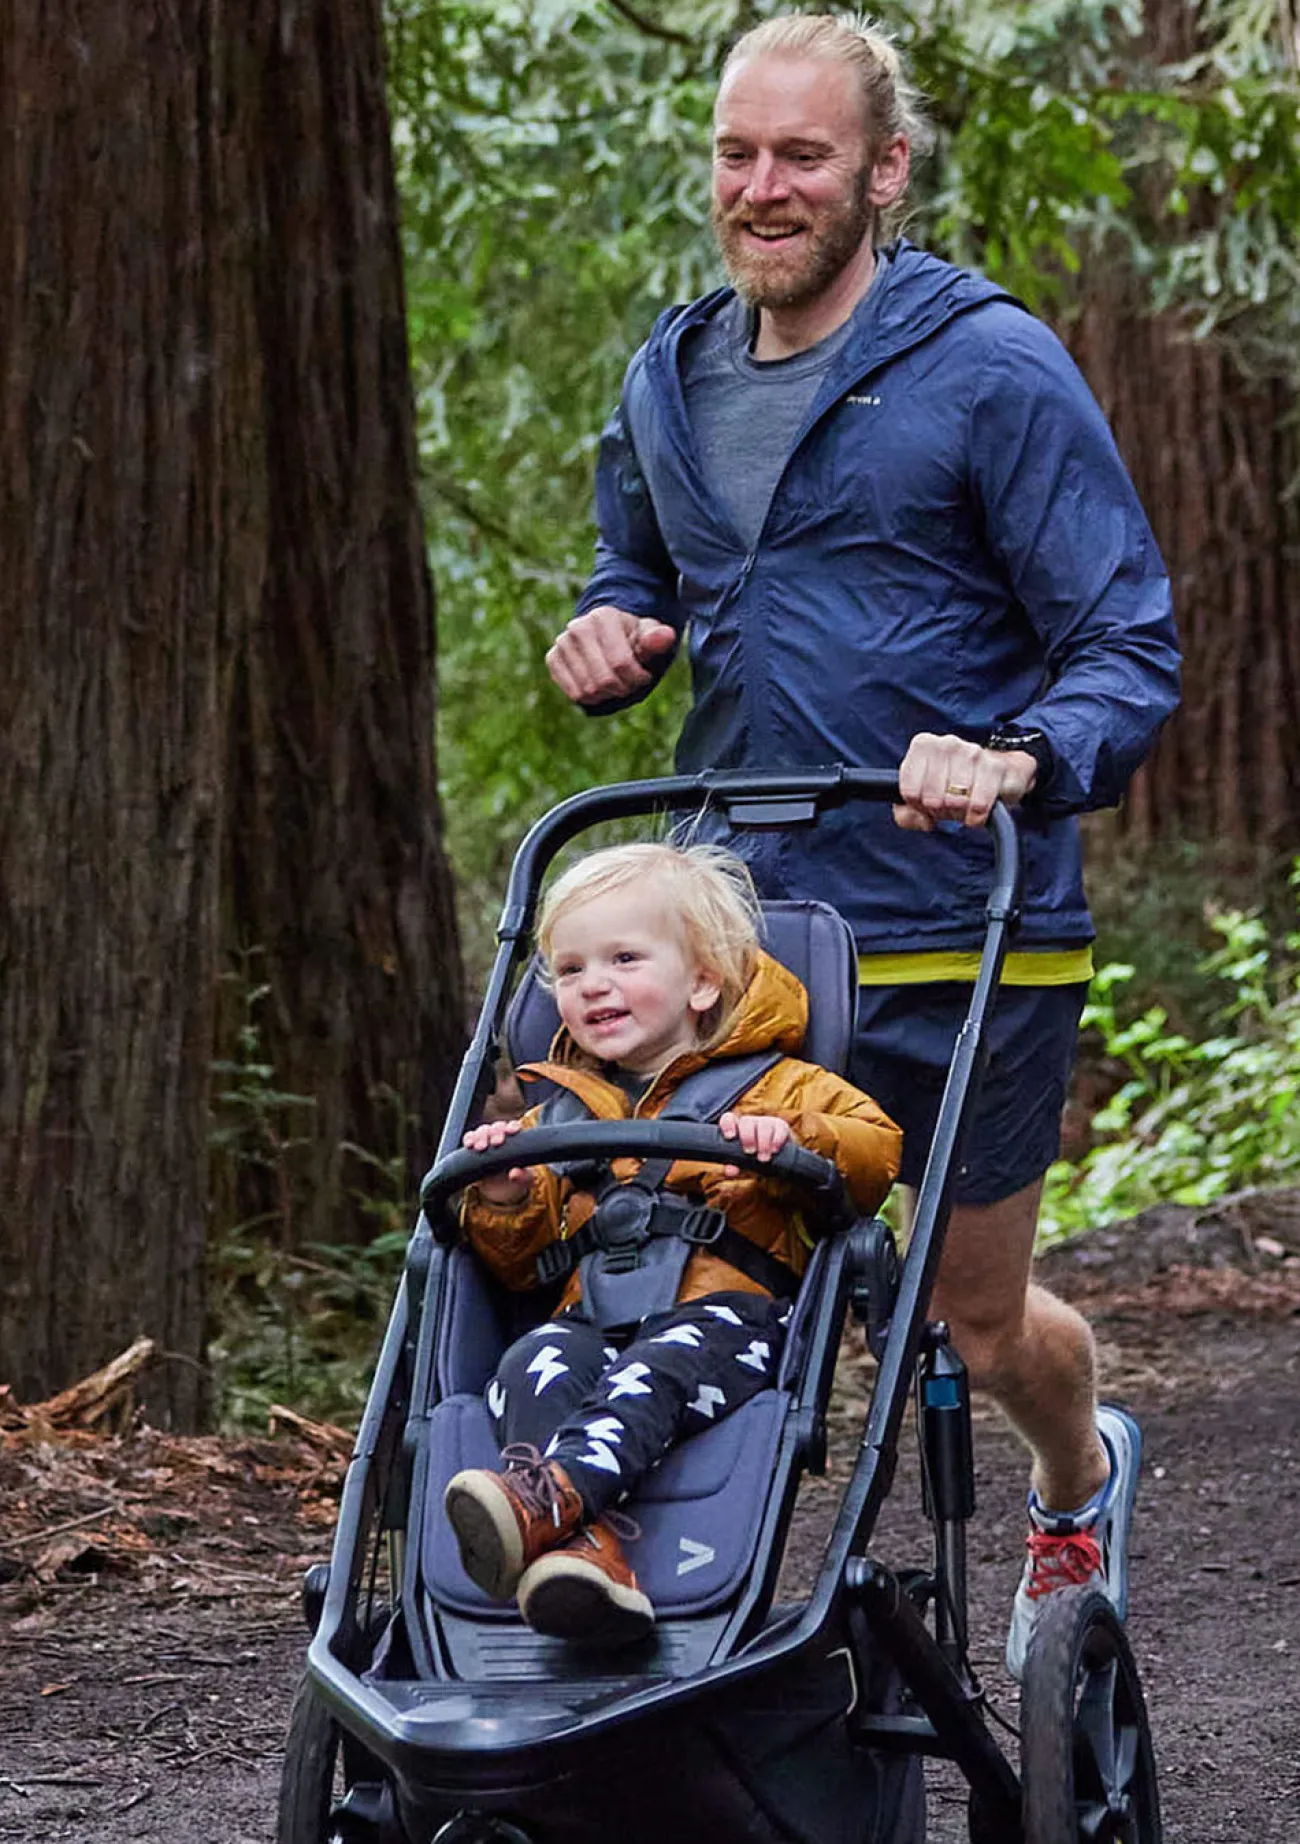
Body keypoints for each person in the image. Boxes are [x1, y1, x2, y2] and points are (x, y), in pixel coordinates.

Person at [543, 14, 1181, 1678]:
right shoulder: (668, 376)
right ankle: (654, 1611)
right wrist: (614, 631)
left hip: (960, 922)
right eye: (738, 154)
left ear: (884, 171)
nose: (764, 187)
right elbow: (642, 574)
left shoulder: (989, 364)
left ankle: (1078, 1475)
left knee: (967, 1317)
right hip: (736, 941)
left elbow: (1125, 640)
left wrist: (1018, 753)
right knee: (680, 1280)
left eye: (803, 156)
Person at [446, 840, 901, 1645]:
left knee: (656, 1367)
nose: (593, 984)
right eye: (571, 969)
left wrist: (791, 1139)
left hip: (730, 1324)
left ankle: (543, 1501)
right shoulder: (552, 1120)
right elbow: (515, 1269)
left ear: (702, 981)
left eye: (624, 959)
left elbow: (876, 1150)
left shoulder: (781, 1084)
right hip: (591, 1323)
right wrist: (501, 1195)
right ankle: (588, 1555)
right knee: (529, 1361)